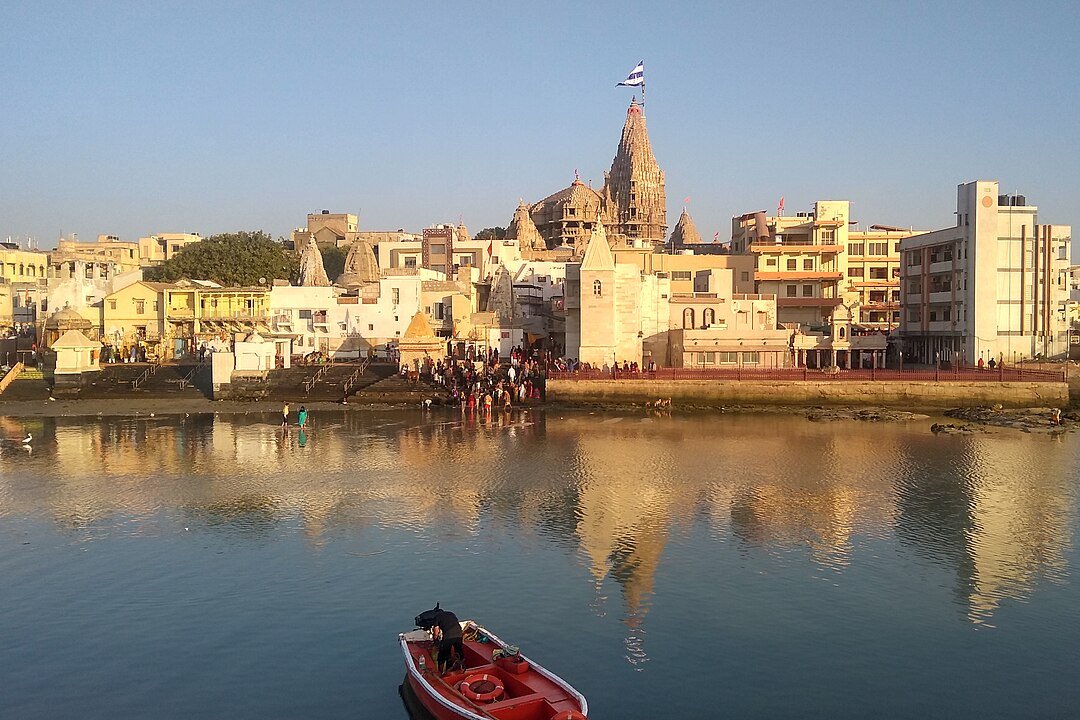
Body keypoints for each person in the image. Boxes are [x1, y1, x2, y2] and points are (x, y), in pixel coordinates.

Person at [433, 607, 465, 674]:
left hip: (449, 636)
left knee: (442, 656)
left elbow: (436, 632)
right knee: (459, 652)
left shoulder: (437, 616)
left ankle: (441, 673)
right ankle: (462, 668)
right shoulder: (451, 613)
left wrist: (435, 641)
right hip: (459, 634)